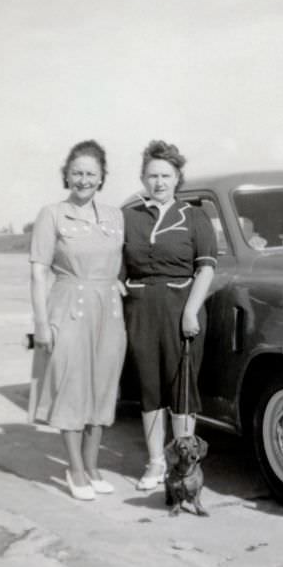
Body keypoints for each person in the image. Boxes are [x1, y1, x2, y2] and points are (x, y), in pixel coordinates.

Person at [29, 140, 126, 501]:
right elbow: (39, 273)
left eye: (91, 174)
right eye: (77, 173)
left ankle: (92, 464)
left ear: (102, 178)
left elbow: (120, 262)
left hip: (110, 310)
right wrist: (41, 323)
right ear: (66, 175)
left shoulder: (115, 216)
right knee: (71, 386)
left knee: (102, 387)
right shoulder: (51, 214)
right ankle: (74, 470)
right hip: (68, 306)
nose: (84, 180)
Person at [122, 140, 217, 491]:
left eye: (165, 175)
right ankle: (155, 463)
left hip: (182, 309)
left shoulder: (194, 217)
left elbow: (205, 269)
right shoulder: (129, 217)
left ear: (177, 177)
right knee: (149, 389)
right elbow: (115, 267)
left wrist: (191, 311)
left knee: (182, 390)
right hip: (142, 310)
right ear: (143, 179)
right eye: (152, 176)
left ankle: (182, 467)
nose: (159, 182)